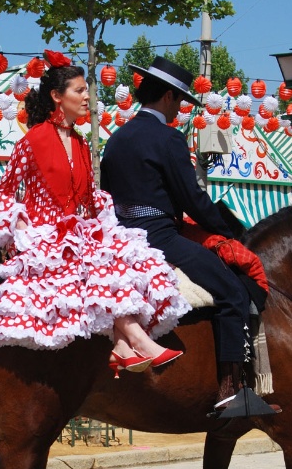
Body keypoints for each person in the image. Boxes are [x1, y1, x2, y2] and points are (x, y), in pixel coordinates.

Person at [0, 50, 191, 378]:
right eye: (79, 90)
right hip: (46, 238)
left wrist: (105, 225)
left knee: (126, 262)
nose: (88, 96)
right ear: (57, 97)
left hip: (81, 233)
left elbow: (88, 199)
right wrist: (19, 223)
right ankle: (133, 340)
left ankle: (124, 344)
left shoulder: (83, 144)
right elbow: (7, 191)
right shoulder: (33, 141)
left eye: (87, 89)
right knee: (101, 266)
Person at [100, 56, 267, 409]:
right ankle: (230, 391)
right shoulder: (168, 138)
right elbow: (191, 198)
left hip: (120, 237)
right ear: (167, 97)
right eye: (178, 101)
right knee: (233, 291)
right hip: (159, 236)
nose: (179, 109)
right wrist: (225, 229)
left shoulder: (115, 139)